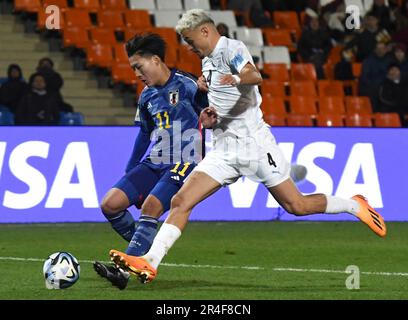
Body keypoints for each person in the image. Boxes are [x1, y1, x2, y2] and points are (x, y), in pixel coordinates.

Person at [108, 9, 387, 284]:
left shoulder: (233, 48)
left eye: (192, 41)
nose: (190, 48)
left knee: (297, 205)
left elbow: (255, 76)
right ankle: (150, 261)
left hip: (254, 147)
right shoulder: (206, 62)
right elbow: (222, 102)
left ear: (205, 31)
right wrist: (209, 113)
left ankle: (353, 205)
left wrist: (238, 78)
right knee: (180, 201)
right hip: (223, 150)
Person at [92, 33, 208, 289]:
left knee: (152, 207)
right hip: (155, 161)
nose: (136, 73)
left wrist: (206, 94)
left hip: (185, 161)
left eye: (138, 66)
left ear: (155, 60)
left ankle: (122, 272)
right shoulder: (146, 96)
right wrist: (131, 170)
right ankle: (144, 250)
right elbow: (144, 133)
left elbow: (211, 112)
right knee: (110, 204)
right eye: (133, 68)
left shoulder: (188, 84)